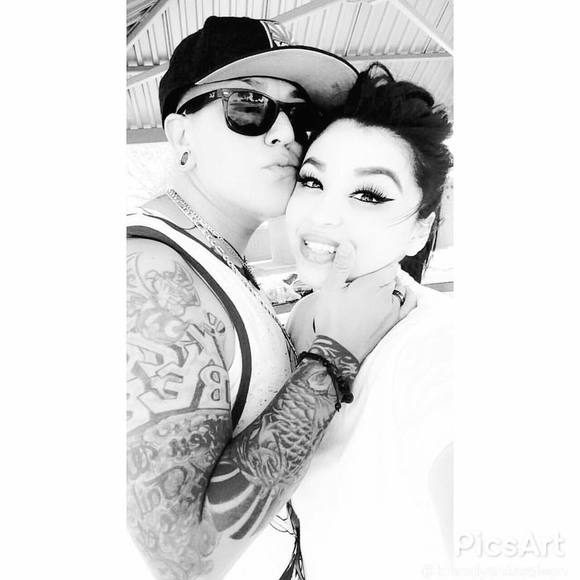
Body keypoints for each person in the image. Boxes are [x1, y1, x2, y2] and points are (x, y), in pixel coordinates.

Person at [127, 18, 415, 580]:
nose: (286, 133)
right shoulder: (147, 273)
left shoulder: (212, 256)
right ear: (182, 137)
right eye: (249, 105)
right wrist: (332, 358)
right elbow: (182, 556)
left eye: (300, 115)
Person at [229, 63, 453, 579]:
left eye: (369, 194)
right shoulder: (301, 319)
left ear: (420, 230)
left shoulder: (439, 344)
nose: (322, 214)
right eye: (312, 181)